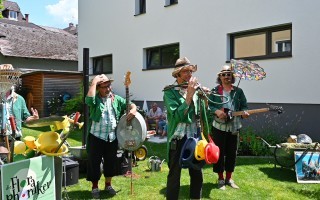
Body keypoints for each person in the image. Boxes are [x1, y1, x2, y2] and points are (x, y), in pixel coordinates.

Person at [85, 74, 137, 199]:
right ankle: (95, 187)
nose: (107, 89)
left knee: (110, 163)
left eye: (108, 86)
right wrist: (93, 82)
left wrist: (134, 109)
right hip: (96, 136)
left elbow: (130, 104)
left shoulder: (116, 99)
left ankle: (108, 185)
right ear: (98, 88)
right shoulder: (95, 99)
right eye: (103, 87)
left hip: (112, 137)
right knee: (94, 163)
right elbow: (88, 100)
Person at [163, 57, 203, 200]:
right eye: (185, 71)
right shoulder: (169, 92)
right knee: (174, 174)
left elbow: (200, 114)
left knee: (197, 172)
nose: (189, 74)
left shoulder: (196, 92)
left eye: (190, 71)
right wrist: (189, 95)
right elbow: (178, 116)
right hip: (178, 139)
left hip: (194, 137)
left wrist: (205, 98)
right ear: (177, 75)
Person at [208, 65, 249, 190]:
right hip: (219, 127)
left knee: (232, 153)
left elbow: (244, 105)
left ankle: (229, 178)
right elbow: (208, 106)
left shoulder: (239, 91)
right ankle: (220, 179)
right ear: (220, 77)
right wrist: (217, 112)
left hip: (234, 126)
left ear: (232, 76)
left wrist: (245, 112)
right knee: (219, 153)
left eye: (229, 74)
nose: (226, 76)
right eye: (224, 74)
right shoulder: (214, 91)